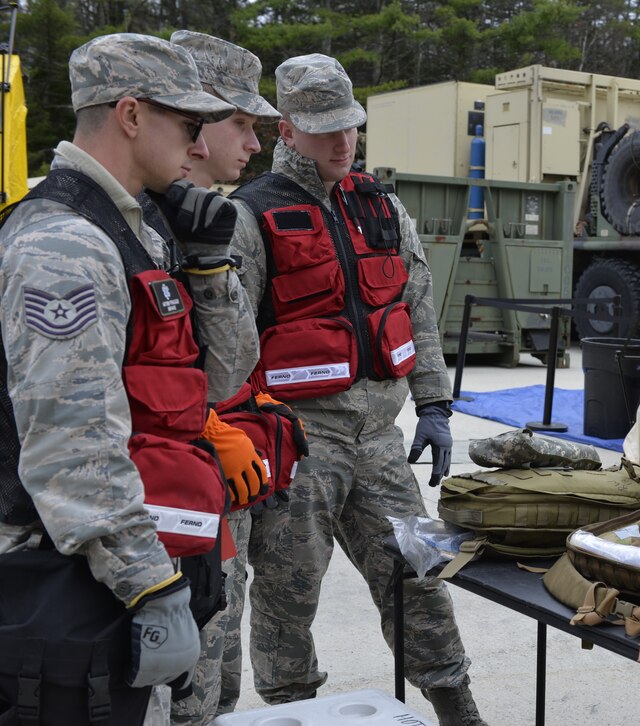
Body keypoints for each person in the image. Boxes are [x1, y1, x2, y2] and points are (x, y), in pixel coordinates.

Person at [229, 54, 486, 725]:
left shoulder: (383, 208)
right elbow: (230, 344)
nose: (343, 142)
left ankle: (458, 706)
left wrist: (434, 402)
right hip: (298, 442)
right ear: (285, 129)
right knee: (289, 594)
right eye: (323, 129)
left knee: (422, 577)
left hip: (380, 442)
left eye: (350, 126)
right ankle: (292, 711)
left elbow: (418, 308)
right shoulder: (249, 217)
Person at [0, 33, 248, 724]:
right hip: (74, 571)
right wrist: (148, 585)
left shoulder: (147, 228)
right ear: (132, 116)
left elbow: (221, 379)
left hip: (138, 555)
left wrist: (210, 268)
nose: (200, 146)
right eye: (189, 126)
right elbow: (70, 448)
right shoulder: (65, 244)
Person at [145, 30, 283, 726]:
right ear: (196, 124)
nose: (254, 144)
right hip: (156, 504)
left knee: (215, 678)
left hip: (213, 487)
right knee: (176, 687)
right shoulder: (123, 226)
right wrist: (203, 424)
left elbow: (225, 359)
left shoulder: (204, 223)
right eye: (243, 123)